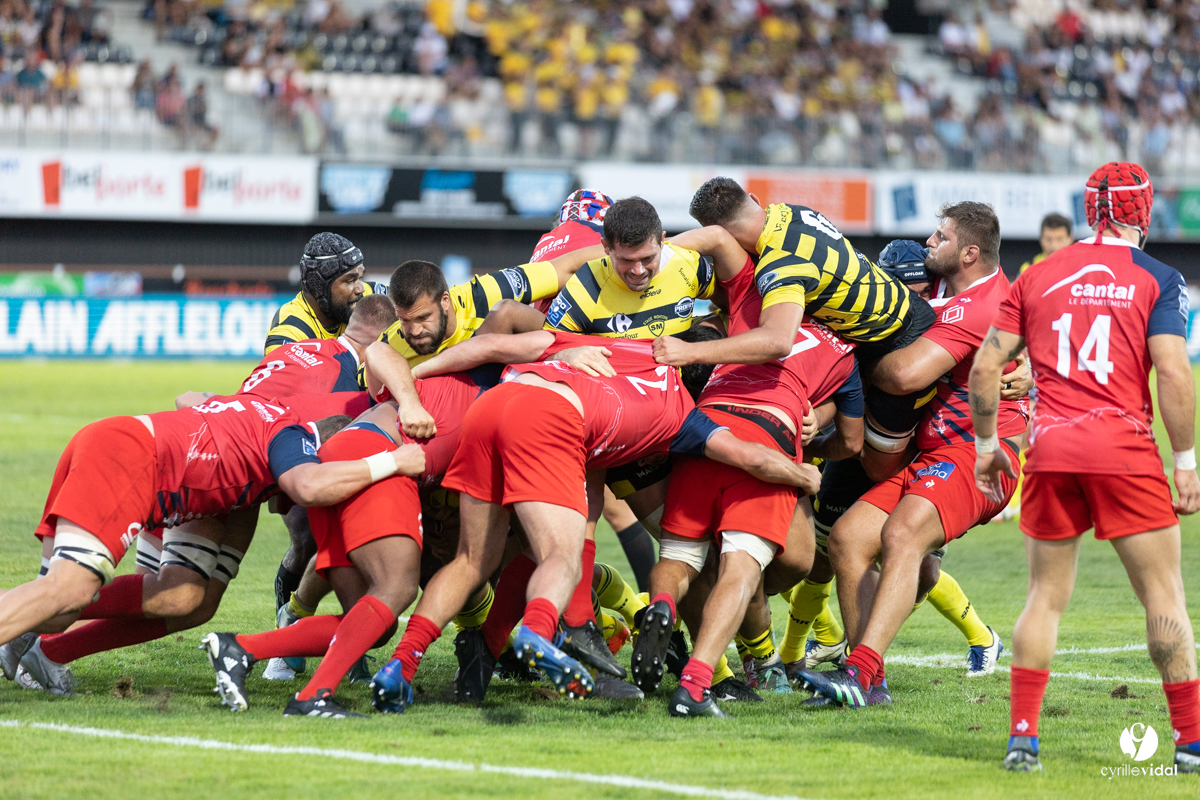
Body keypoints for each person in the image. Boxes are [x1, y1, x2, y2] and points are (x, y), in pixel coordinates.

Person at [364, 328, 823, 712]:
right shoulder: (687, 413)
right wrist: (803, 474)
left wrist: (413, 376)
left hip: (492, 407)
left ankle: (401, 665)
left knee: (470, 561)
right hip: (549, 420)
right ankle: (537, 632)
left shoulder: (626, 346)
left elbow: (490, 344)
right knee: (561, 558)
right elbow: (749, 457)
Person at [969, 162, 1200, 774]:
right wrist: (1185, 463)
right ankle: (1190, 744)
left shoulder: (1038, 274)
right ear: (1141, 212)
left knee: (1044, 597)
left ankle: (1023, 740)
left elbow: (985, 368)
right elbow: (1173, 371)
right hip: (1125, 454)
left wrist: (987, 446)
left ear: (1089, 209)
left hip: (1051, 453)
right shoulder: (1159, 278)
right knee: (1163, 595)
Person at [0, 390, 425, 688]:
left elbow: (191, 400)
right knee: (68, 591)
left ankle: (39, 641)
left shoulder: (261, 443)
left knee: (184, 600)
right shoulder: (295, 439)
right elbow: (310, 486)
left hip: (135, 453)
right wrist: (392, 462)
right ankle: (27, 618)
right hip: (129, 461)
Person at [799, 202, 1029, 708]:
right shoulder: (943, 285)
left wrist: (851, 365)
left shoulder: (983, 304)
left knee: (902, 536)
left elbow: (905, 376)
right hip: (930, 454)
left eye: (940, 237)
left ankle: (859, 671)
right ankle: (867, 682)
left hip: (979, 455)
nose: (929, 242)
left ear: (969, 253)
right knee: (847, 539)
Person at [201, 369, 484, 717]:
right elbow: (379, 354)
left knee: (371, 626)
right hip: (379, 456)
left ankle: (240, 649)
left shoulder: (476, 378)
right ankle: (313, 693)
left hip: (339, 454)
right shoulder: (498, 388)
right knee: (397, 587)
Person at [635, 227, 823, 716]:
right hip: (765, 439)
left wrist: (649, 256)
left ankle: (661, 606)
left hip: (696, 433)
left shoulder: (747, 299)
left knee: (680, 558)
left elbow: (719, 236)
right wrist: (807, 467)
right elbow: (850, 430)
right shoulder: (842, 340)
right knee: (740, 571)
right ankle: (698, 685)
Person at [665, 177, 938, 486]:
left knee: (877, 466)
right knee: (839, 414)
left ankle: (936, 473)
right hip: (880, 324)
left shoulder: (781, 265)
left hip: (900, 340)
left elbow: (777, 341)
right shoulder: (791, 212)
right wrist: (661, 248)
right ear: (753, 200)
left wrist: (689, 352)